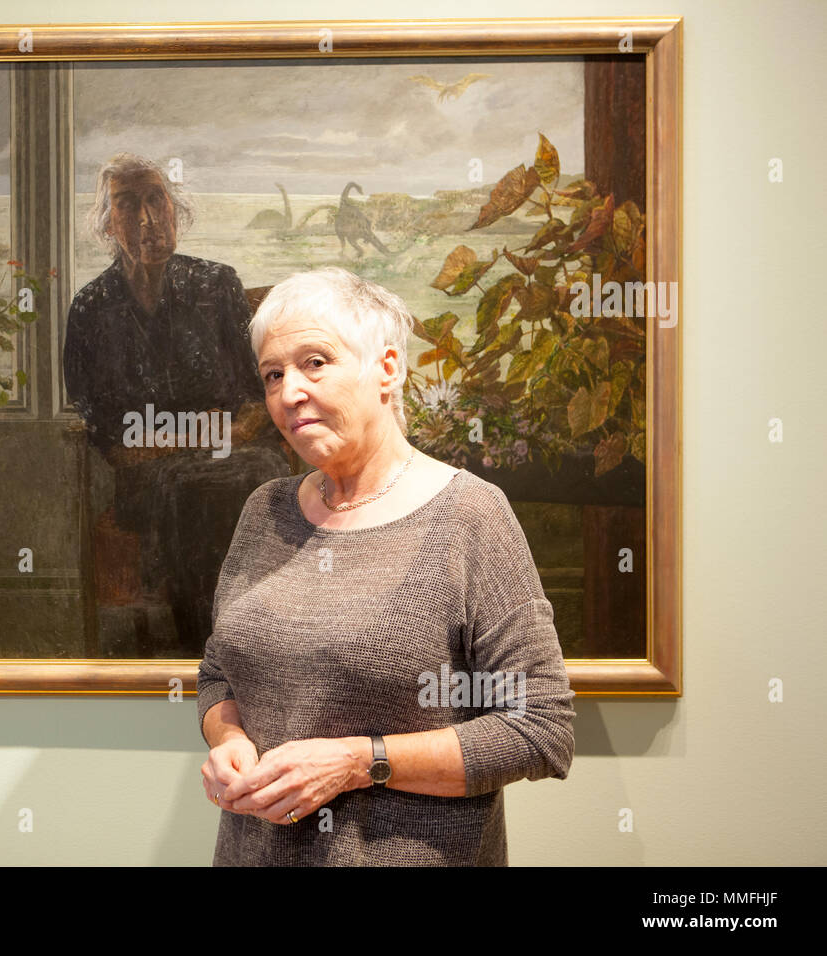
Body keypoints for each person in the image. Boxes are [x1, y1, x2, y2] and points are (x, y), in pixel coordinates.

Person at [196, 267, 575, 865]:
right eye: (273, 374)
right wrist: (229, 739)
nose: (289, 392)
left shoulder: (470, 514)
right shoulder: (262, 511)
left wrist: (357, 761)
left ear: (388, 369)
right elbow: (219, 672)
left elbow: (539, 729)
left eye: (314, 362)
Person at [63, 152, 287, 656]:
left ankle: (262, 638)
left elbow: (258, 400)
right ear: (106, 225)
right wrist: (198, 436)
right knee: (191, 487)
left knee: (255, 471)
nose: (146, 219)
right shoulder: (91, 309)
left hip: (239, 457)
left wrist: (202, 435)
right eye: (126, 205)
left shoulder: (217, 285)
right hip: (152, 478)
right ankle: (211, 648)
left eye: (155, 200)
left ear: (174, 209)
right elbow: (111, 440)